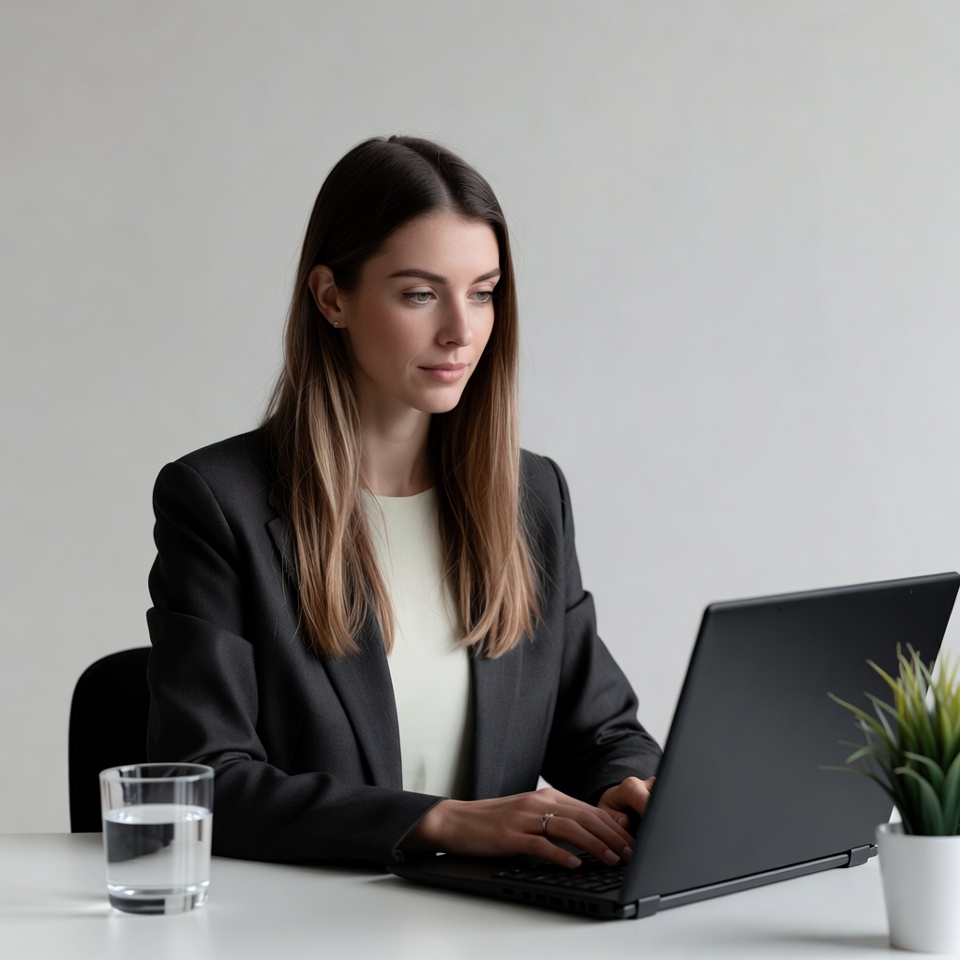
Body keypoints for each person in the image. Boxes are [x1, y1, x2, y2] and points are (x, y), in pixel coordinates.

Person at [146, 135, 661, 871]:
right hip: (304, 929)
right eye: (421, 294)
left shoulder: (530, 495)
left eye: (482, 292)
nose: (461, 330)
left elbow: (602, 731)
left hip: (495, 928)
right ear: (332, 298)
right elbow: (207, 784)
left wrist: (629, 790)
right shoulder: (218, 503)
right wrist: (442, 823)